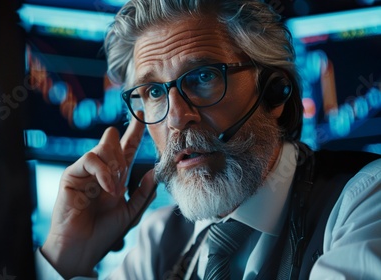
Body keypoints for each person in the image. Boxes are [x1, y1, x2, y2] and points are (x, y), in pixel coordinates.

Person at [36, 0, 381, 279]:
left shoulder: (364, 201)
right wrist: (65, 257)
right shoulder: (160, 241)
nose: (175, 117)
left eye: (203, 76)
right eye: (154, 91)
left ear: (274, 94)